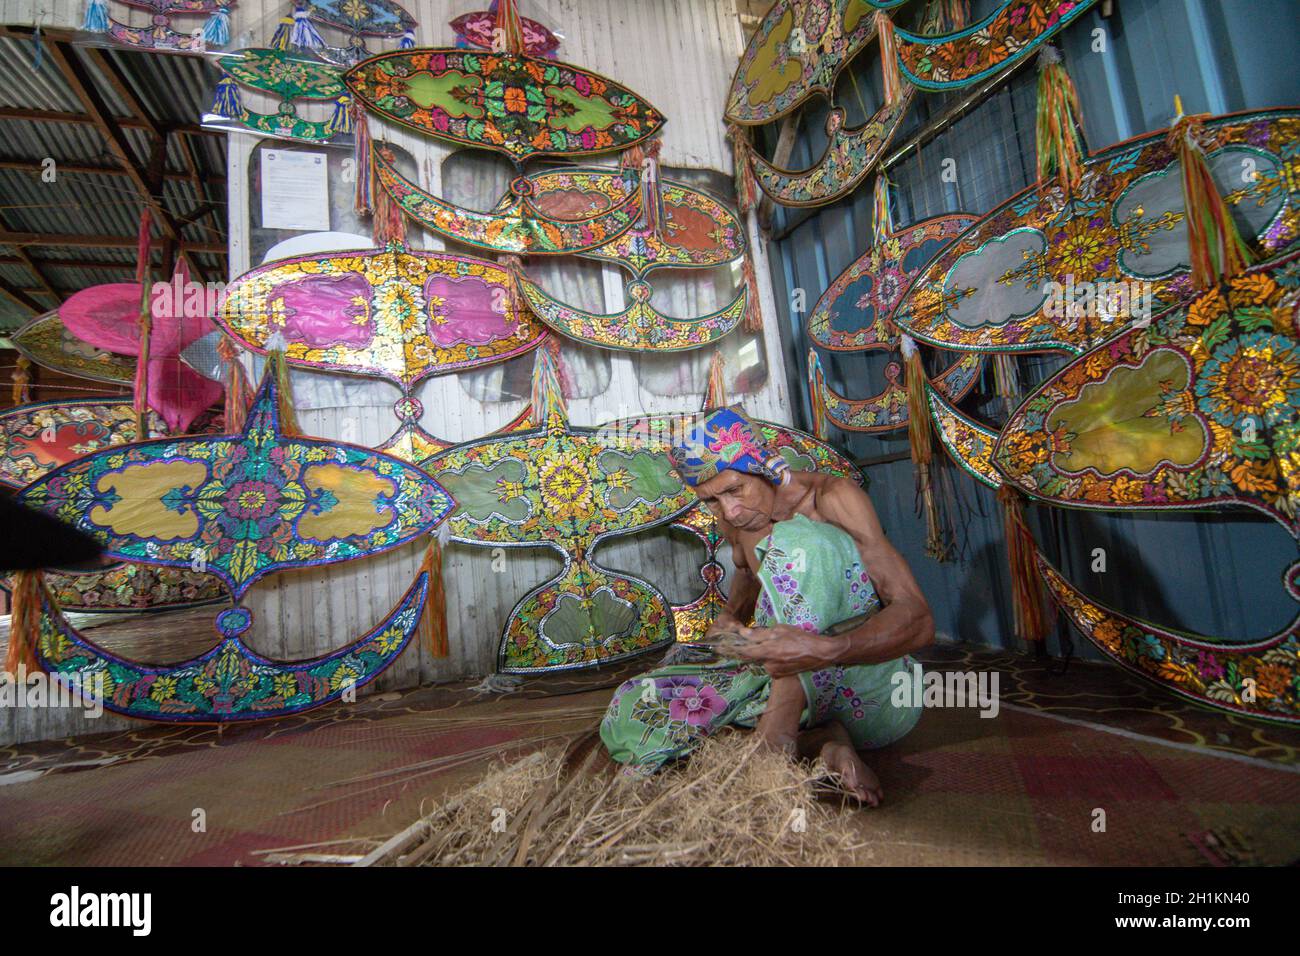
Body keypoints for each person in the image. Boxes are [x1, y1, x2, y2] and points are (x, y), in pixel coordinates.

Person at [599, 406, 934, 805]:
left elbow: (918, 618)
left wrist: (826, 649)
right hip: (793, 688)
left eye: (735, 490)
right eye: (711, 501)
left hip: (869, 687)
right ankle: (824, 744)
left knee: (799, 544)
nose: (728, 511)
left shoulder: (833, 499)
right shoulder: (735, 515)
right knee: (635, 704)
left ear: (763, 465)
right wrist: (729, 617)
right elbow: (745, 571)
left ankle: (779, 732)